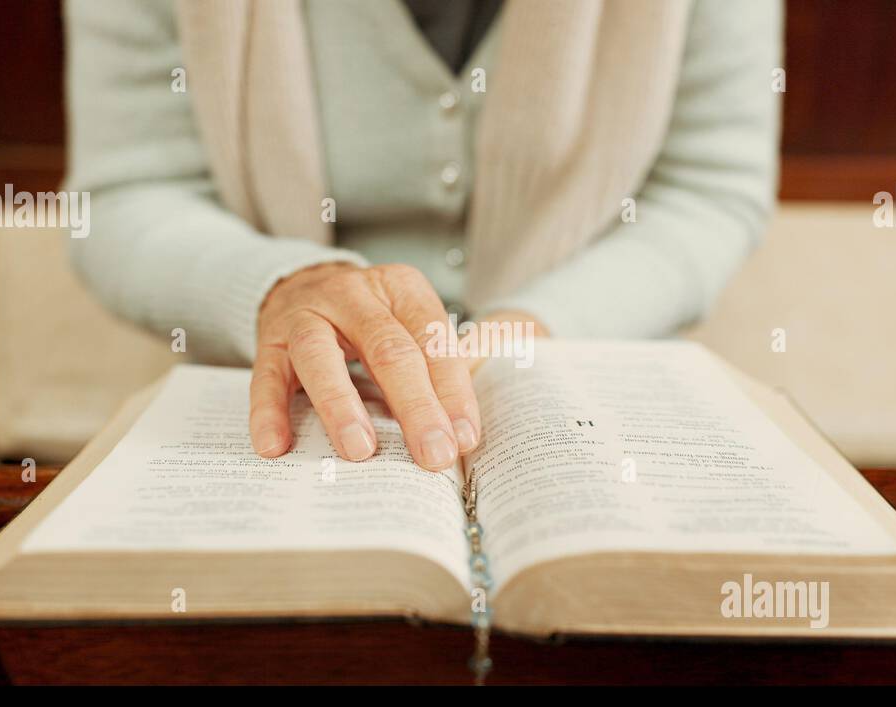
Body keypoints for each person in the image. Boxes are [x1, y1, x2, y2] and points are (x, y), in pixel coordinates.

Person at [65, 0, 782, 472]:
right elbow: (126, 196)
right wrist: (282, 288)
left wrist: (525, 330)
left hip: (578, 396)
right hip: (274, 406)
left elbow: (709, 188)